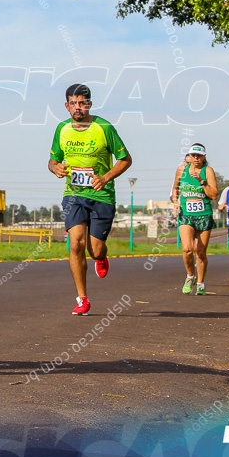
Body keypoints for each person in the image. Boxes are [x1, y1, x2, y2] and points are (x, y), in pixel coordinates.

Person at [48, 83, 132, 315]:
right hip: (74, 194)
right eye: (73, 103)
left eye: (82, 102)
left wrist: (105, 177)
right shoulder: (62, 129)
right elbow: (52, 161)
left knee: (95, 250)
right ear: (66, 106)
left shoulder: (104, 127)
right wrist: (55, 168)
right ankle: (82, 298)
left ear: (90, 104)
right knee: (75, 244)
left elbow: (125, 159)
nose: (78, 107)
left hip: (102, 195)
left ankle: (101, 257)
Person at [170, 144, 218, 294]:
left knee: (201, 252)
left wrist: (202, 181)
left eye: (199, 156)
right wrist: (176, 203)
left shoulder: (208, 171)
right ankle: (190, 276)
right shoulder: (181, 170)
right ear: (189, 156)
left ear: (204, 157)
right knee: (187, 249)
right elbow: (175, 189)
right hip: (186, 214)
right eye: (193, 156)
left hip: (203, 215)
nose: (196, 159)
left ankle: (201, 283)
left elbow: (214, 195)